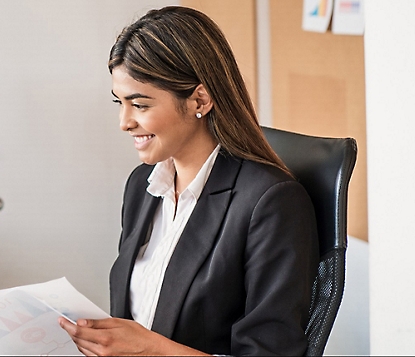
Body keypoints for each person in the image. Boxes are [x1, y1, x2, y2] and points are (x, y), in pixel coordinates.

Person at [58, 6, 318, 356]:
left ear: (200, 99)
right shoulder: (143, 187)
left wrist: (151, 349)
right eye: (119, 103)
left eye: (140, 105)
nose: (124, 122)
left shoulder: (271, 203)